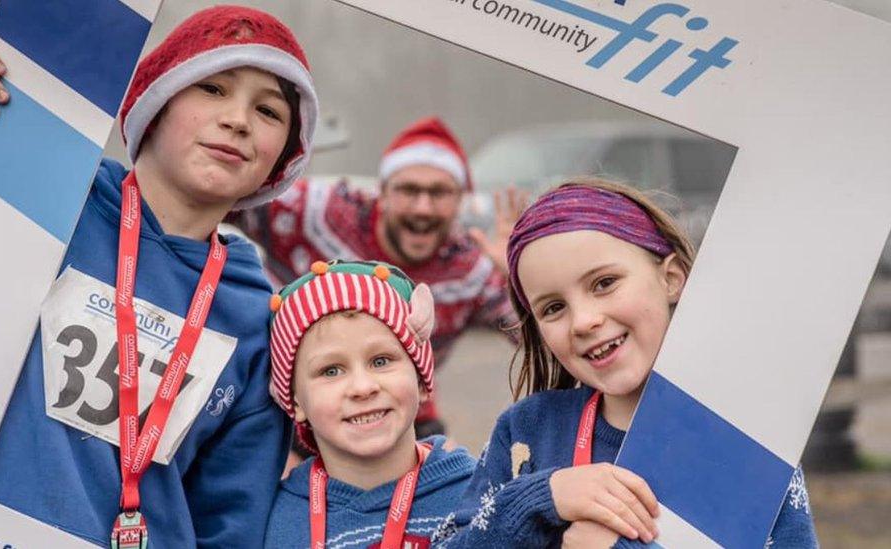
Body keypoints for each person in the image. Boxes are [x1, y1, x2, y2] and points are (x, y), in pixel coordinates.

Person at [0, 6, 318, 547]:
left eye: (269, 112)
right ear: (158, 101)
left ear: (281, 159)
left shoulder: (256, 311)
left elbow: (231, 516)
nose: (239, 120)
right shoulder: (43, 190)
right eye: (214, 89)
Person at [430, 178, 818, 548]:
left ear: (671, 278)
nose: (584, 321)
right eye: (553, 308)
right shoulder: (526, 432)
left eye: (604, 283)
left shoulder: (744, 441)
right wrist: (541, 499)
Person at [231, 116, 524, 439]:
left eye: (440, 193)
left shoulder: (471, 270)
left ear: (460, 201)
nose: (423, 208)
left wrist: (525, 277)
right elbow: (217, 198)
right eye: (408, 190)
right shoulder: (317, 212)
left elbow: (541, 339)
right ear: (382, 192)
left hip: (397, 413)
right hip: (284, 404)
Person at [263, 260, 475, 548]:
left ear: (422, 380)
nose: (362, 388)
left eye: (381, 361)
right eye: (331, 371)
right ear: (295, 401)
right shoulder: (271, 520)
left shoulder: (479, 494)